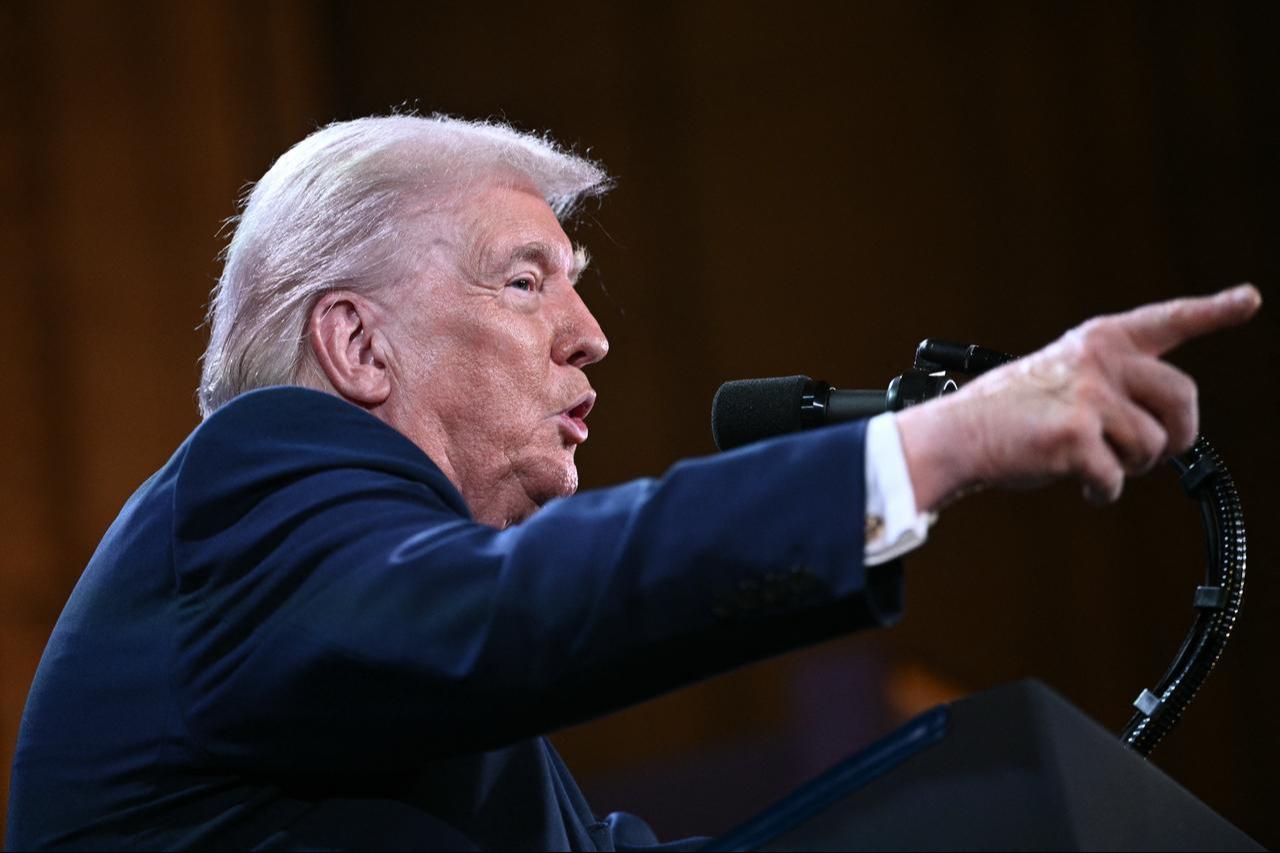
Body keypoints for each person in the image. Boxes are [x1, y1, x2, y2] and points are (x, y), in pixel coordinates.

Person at [5, 115, 1261, 852]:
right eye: (524, 280)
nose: (590, 332)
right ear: (357, 345)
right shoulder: (253, 487)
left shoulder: (404, 659)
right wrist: (939, 446)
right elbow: (519, 604)